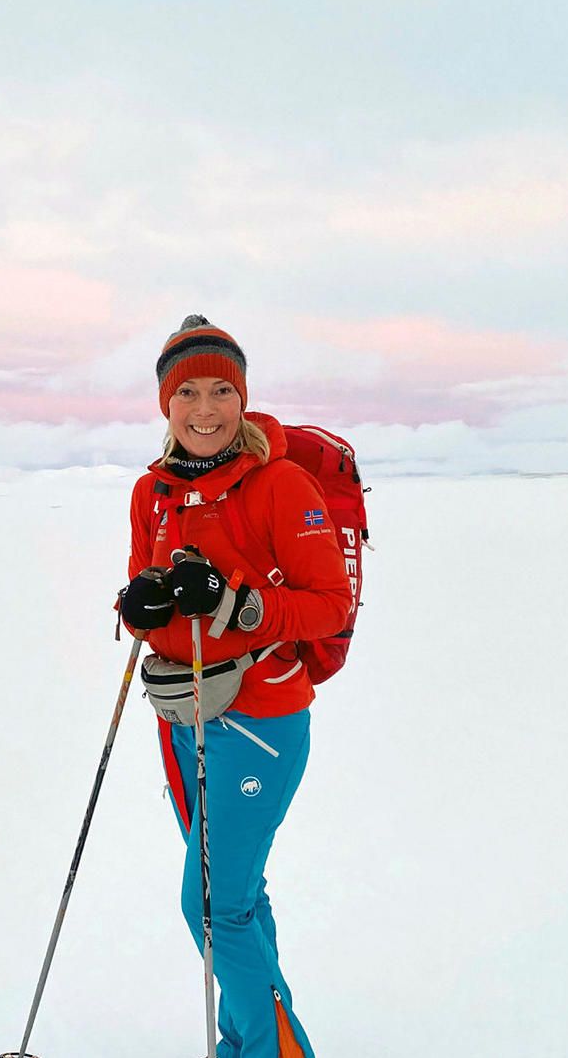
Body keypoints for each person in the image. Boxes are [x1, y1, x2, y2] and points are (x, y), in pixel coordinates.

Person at [118, 316, 351, 1058]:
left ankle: (272, 1051)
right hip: (181, 718)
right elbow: (149, 606)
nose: (206, 407)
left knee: (214, 904)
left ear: (244, 397)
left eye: (223, 388)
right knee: (236, 902)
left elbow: (328, 603)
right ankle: (251, 1042)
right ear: (166, 403)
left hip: (261, 720)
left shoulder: (283, 483)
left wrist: (237, 601)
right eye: (188, 390)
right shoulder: (151, 493)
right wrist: (139, 605)